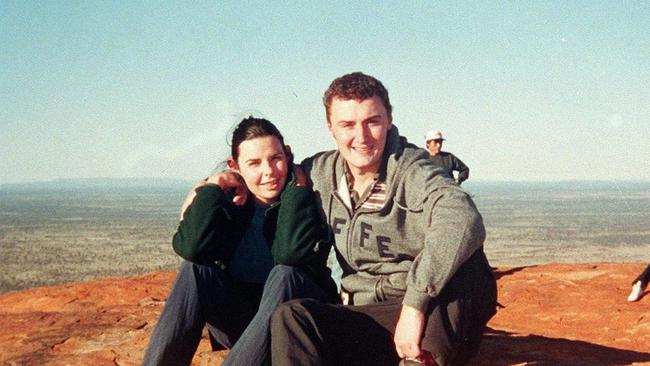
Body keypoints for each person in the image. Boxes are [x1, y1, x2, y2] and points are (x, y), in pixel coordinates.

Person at [269, 72, 497, 366]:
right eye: (348, 125)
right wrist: (214, 185)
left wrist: (414, 306)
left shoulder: (412, 169)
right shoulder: (320, 172)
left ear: (389, 120)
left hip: (428, 313)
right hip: (372, 315)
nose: (361, 137)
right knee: (292, 318)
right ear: (331, 128)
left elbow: (462, 218)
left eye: (372, 122)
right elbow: (264, 178)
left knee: (467, 265)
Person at [142, 117, 338, 366]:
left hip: (296, 322)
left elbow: (290, 256)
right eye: (254, 163)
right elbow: (189, 247)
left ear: (287, 155)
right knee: (195, 270)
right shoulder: (230, 201)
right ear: (235, 165)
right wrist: (213, 186)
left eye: (276, 158)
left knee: (286, 274)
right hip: (244, 322)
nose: (268, 171)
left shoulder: (304, 198)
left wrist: (296, 190)